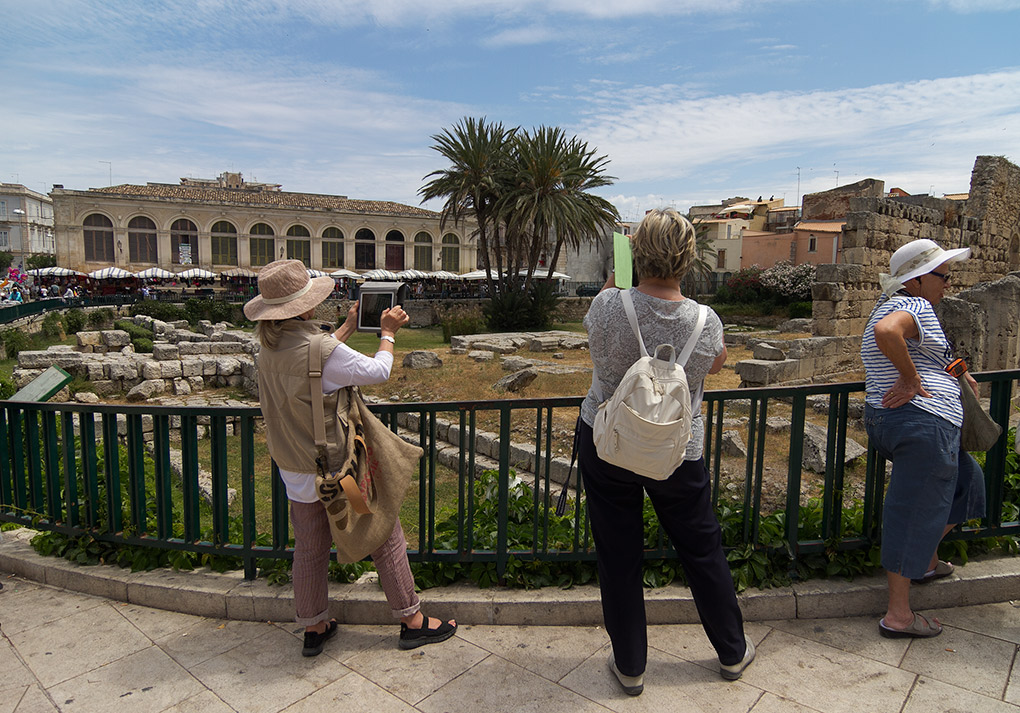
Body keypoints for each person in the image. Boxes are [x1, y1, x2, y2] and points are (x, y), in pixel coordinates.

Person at [579, 209, 754, 696]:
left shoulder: (610, 305)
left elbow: (595, 338)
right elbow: (715, 365)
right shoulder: (707, 319)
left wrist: (615, 283)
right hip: (679, 448)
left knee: (619, 554)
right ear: (689, 257)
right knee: (701, 548)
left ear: (638, 253)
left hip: (609, 440)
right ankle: (732, 651)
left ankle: (631, 665)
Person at [244, 259, 456, 657]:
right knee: (381, 531)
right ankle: (411, 620)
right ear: (305, 306)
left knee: (308, 548)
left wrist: (345, 331)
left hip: (295, 468)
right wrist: (387, 334)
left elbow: (315, 367)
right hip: (337, 472)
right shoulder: (321, 348)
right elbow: (377, 371)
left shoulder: (269, 349)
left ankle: (314, 625)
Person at [861, 238, 985, 639]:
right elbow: (887, 333)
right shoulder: (910, 306)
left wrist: (959, 371)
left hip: (910, 423)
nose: (948, 282)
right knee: (912, 511)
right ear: (915, 281)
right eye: (942, 275)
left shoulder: (907, 306)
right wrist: (912, 380)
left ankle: (927, 559)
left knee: (969, 483)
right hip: (921, 423)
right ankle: (898, 615)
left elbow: (933, 351)